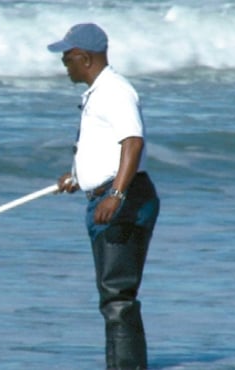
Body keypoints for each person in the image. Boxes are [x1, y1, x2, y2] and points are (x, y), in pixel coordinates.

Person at [47, 23, 160, 369]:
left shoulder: (114, 91)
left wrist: (114, 193)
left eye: (67, 58)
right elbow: (105, 148)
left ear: (85, 57)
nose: (64, 65)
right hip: (110, 197)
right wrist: (79, 177)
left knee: (118, 297)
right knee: (112, 296)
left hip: (125, 201)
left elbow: (133, 141)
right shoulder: (99, 92)